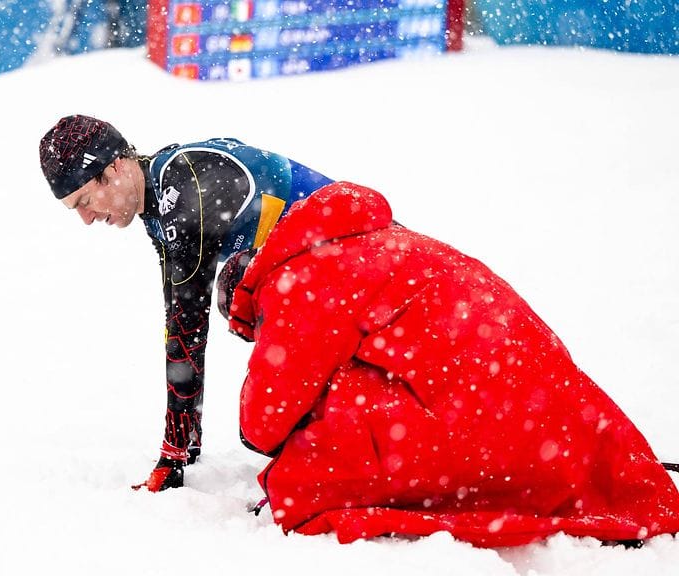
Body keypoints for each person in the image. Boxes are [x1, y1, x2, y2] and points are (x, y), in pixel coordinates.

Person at [217, 180, 679, 546]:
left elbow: (264, 422)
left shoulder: (293, 280)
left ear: (247, 292)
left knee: (310, 457)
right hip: (541, 402)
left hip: (483, 417)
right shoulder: (387, 242)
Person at [38, 114, 334, 491]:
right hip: (339, 260)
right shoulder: (159, 196)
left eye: (83, 200)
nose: (85, 219)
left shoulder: (185, 185)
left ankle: (316, 459)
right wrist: (184, 442)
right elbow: (176, 319)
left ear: (114, 168)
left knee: (262, 416)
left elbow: (188, 328)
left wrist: (173, 453)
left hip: (368, 256)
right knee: (243, 289)